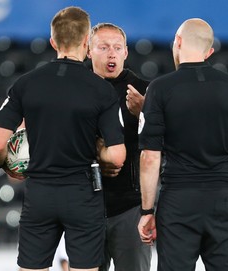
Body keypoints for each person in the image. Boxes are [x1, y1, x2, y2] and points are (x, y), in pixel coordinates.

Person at [0, 6, 126, 271]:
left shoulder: (25, 84)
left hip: (40, 193)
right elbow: (117, 155)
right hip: (82, 194)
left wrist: (8, 165)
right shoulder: (102, 90)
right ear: (86, 42)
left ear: (53, 41)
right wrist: (100, 151)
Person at [137, 18, 228, 270]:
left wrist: (147, 211)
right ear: (209, 51)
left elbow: (149, 158)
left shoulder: (160, 88)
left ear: (177, 42)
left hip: (177, 202)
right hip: (221, 200)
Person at [87, 23, 151, 271]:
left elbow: (171, 143)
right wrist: (98, 154)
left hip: (130, 207)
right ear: (89, 51)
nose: (111, 54)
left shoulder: (145, 91)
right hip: (85, 206)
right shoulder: (76, 89)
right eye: (103, 47)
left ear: (126, 52)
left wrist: (147, 112)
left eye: (117, 47)